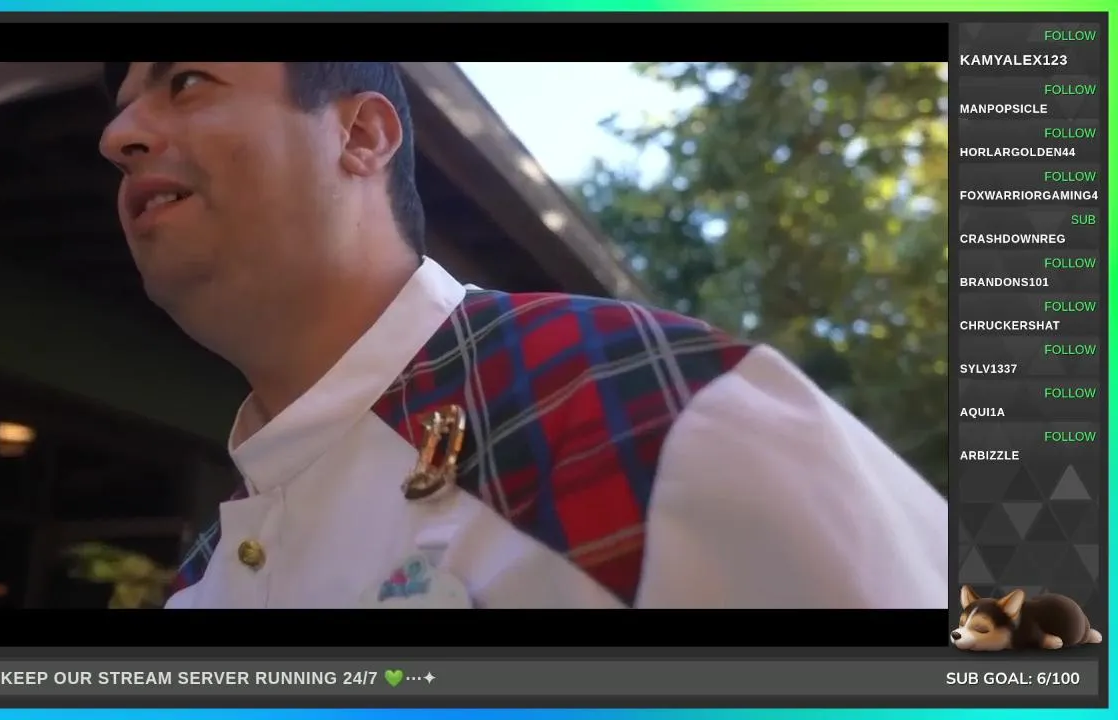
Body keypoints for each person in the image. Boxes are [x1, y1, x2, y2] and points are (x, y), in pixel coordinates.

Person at [99, 62, 947, 609]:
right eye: (125, 105)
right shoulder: (201, 581)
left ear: (361, 135)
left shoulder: (654, 405)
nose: (117, 136)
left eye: (187, 82)